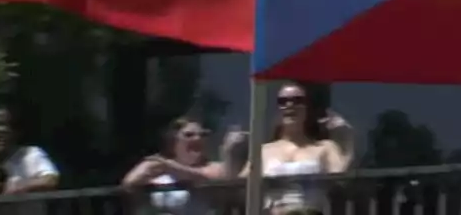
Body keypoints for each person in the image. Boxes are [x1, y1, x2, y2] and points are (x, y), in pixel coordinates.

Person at [240, 82, 354, 215]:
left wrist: (347, 138)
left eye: (297, 100)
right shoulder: (263, 151)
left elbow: (342, 180)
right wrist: (230, 153)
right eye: (283, 101)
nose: (290, 105)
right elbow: (241, 189)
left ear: (307, 108)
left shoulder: (325, 147)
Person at [122, 118, 242, 215]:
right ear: (173, 141)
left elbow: (219, 181)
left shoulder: (214, 168)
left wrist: (171, 168)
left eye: (203, 134)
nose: (197, 138)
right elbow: (129, 182)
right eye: (189, 135)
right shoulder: (160, 164)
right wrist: (151, 165)